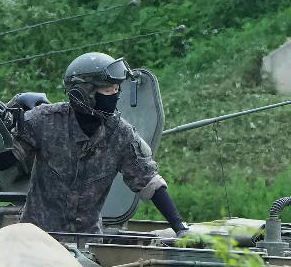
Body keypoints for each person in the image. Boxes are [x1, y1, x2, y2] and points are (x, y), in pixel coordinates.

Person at [12, 52, 189, 238]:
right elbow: (4, 160)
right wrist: (9, 122)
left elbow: (149, 182)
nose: (115, 96)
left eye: (117, 89)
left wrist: (180, 227)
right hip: (37, 240)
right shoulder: (44, 121)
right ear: (82, 94)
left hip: (87, 242)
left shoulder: (120, 134)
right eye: (107, 91)